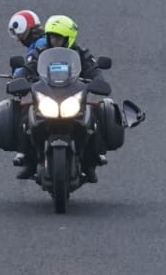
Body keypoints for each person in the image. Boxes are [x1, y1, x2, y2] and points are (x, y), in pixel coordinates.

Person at [12, 15, 107, 182]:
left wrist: (98, 82)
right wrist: (20, 80)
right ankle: (27, 158)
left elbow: (94, 70)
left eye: (58, 37)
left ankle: (92, 161)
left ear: (68, 38)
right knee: (26, 114)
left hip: (72, 95)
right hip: (48, 94)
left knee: (93, 116)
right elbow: (28, 68)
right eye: (51, 36)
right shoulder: (40, 52)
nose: (54, 40)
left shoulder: (81, 53)